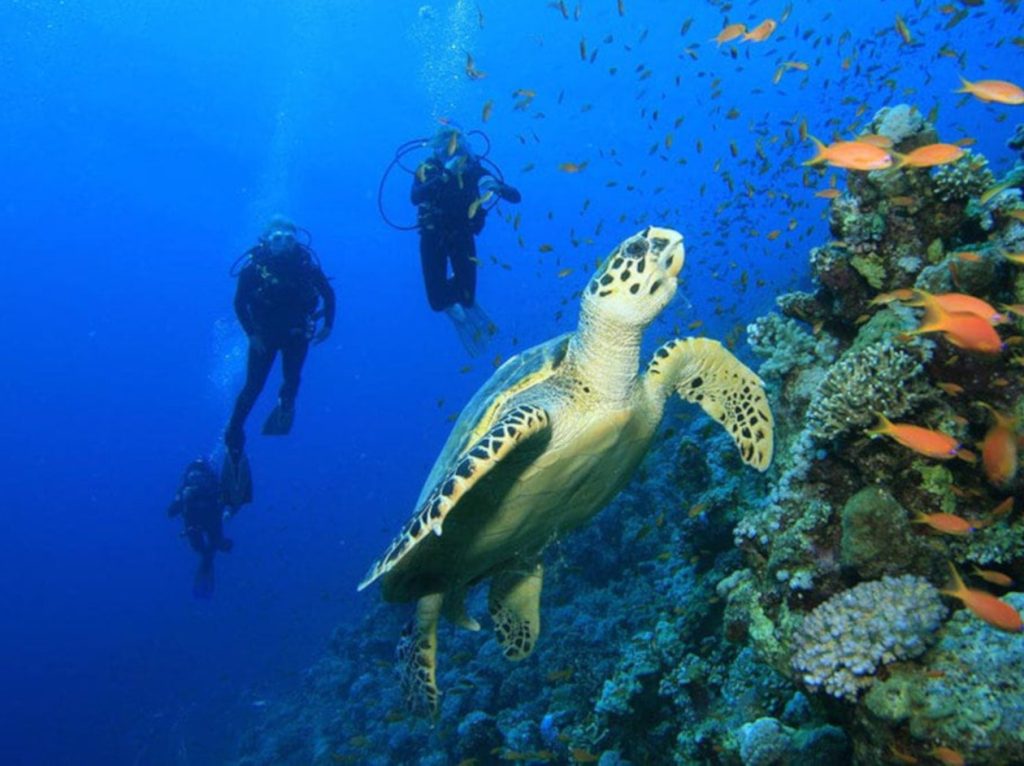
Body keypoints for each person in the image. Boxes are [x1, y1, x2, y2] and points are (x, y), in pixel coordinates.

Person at [222, 217, 335, 504]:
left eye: (287, 237)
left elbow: (329, 293)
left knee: (292, 379)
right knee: (252, 389)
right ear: (266, 241)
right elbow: (239, 303)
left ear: (295, 240)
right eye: (276, 238)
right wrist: (251, 335)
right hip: (264, 337)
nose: (282, 242)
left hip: (297, 334)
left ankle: (286, 404)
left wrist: (328, 326)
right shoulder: (253, 270)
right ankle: (233, 439)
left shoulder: (305, 265)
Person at [411, 127, 521, 355]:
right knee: (437, 303)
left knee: (468, 299)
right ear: (437, 148)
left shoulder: (473, 169)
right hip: (433, 236)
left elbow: (516, 196)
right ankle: (451, 302)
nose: (452, 153)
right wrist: (445, 175)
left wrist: (497, 186)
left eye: (457, 147)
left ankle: (459, 293)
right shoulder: (428, 169)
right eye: (446, 147)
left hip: (462, 234)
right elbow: (416, 197)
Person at [167, 459, 233, 598]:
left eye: (198, 477)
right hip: (194, 526)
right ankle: (209, 557)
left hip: (212, 523)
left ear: (205, 477)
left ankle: (211, 555)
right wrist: (180, 499)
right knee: (199, 548)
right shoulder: (186, 492)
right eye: (192, 478)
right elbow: (171, 512)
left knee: (213, 546)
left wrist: (226, 509)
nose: (195, 480)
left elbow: (229, 500)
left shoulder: (214, 488)